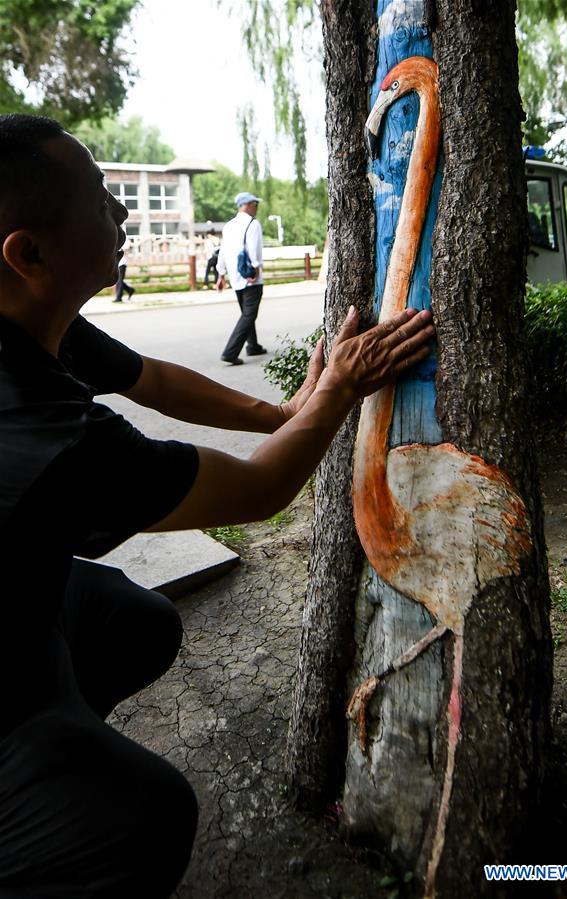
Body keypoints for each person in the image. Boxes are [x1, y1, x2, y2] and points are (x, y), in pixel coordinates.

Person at [0, 113, 434, 898]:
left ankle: (56, 738)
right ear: (29, 253)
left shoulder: (29, 320)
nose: (122, 213)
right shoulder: (40, 432)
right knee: (151, 815)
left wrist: (285, 412)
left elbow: (156, 380)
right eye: (101, 200)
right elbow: (260, 490)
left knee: (139, 621)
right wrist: (337, 389)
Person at [216, 191, 266, 364]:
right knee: (248, 315)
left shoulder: (229, 226)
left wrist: (221, 274)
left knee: (247, 314)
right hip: (250, 277)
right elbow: (254, 248)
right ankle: (230, 353)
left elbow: (222, 252)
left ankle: (253, 346)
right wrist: (256, 269)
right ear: (248, 205)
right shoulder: (253, 223)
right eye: (255, 204)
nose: (257, 208)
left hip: (235, 277)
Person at [113, 237, 135, 302]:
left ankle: (119, 298)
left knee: (119, 281)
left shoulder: (123, 241)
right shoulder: (116, 241)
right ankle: (130, 290)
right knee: (118, 281)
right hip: (117, 264)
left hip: (122, 264)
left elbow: (126, 248)